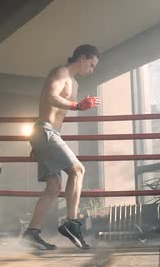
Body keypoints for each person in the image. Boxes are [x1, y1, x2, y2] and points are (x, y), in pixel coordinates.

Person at [21, 44, 101, 250]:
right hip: (44, 132)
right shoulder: (60, 72)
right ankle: (71, 223)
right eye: (91, 65)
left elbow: (58, 114)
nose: (91, 70)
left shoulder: (74, 83)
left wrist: (42, 144)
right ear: (82, 58)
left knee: (53, 187)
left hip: (48, 135)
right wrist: (78, 106)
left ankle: (31, 234)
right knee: (78, 170)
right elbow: (50, 97)